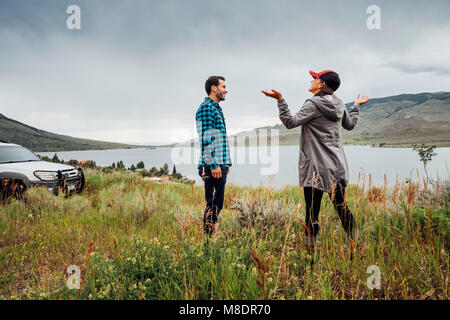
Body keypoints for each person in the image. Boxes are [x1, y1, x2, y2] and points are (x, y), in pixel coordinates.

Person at [262, 70, 370, 251]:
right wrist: (356, 106)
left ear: (322, 85)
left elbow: (290, 122)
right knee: (342, 208)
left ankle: (310, 251)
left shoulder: (313, 104)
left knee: (312, 212)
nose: (311, 80)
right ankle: (356, 244)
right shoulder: (339, 103)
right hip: (336, 166)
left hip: (316, 169)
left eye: (315, 78)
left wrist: (280, 100)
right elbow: (350, 125)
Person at [196, 76, 232, 235]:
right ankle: (208, 243)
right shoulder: (206, 108)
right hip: (212, 165)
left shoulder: (216, 108)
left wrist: (226, 163)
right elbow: (206, 138)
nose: (226, 90)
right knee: (213, 205)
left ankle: (212, 238)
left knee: (218, 204)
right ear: (213, 88)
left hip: (219, 164)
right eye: (223, 86)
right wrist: (214, 164)